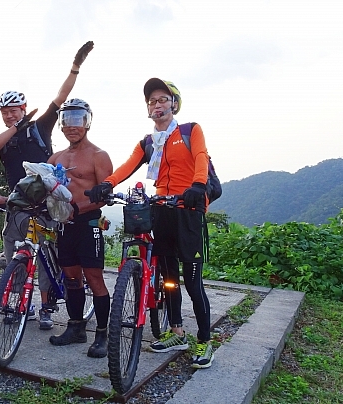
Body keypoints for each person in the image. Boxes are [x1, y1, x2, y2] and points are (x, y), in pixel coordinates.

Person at [87, 78, 214, 369]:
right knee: (169, 279)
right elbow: (128, 165)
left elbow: (201, 157)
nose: (156, 105)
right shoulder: (148, 142)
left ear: (174, 104)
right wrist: (106, 184)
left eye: (162, 100)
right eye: (152, 101)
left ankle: (205, 341)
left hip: (187, 208)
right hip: (161, 210)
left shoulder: (190, 130)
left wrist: (197, 185)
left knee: (193, 282)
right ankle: (177, 332)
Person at [0, 40, 94, 330]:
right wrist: (14, 127)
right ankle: (21, 304)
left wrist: (75, 66)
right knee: (15, 257)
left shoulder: (40, 127)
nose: (10, 114)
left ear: (23, 108)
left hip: (45, 202)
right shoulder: (8, 137)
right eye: (5, 112)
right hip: (18, 204)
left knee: (45, 256)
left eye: (14, 110)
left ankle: (46, 307)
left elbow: (61, 95)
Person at [45, 99, 113, 357]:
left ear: (87, 122)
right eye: (67, 119)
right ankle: (76, 328)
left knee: (94, 279)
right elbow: (43, 187)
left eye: (78, 119)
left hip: (88, 223)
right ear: (61, 124)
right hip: (65, 225)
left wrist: (77, 208)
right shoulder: (56, 157)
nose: (72, 126)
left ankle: (103, 336)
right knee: (71, 278)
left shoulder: (99, 156)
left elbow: (105, 194)